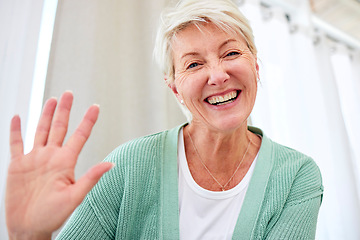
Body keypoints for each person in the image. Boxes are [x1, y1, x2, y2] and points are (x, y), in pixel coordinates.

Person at [5, 0, 323, 239]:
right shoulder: (129, 165)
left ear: (255, 65)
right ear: (175, 90)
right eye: (194, 64)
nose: (217, 75)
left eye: (231, 54)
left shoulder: (296, 176)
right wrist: (29, 236)